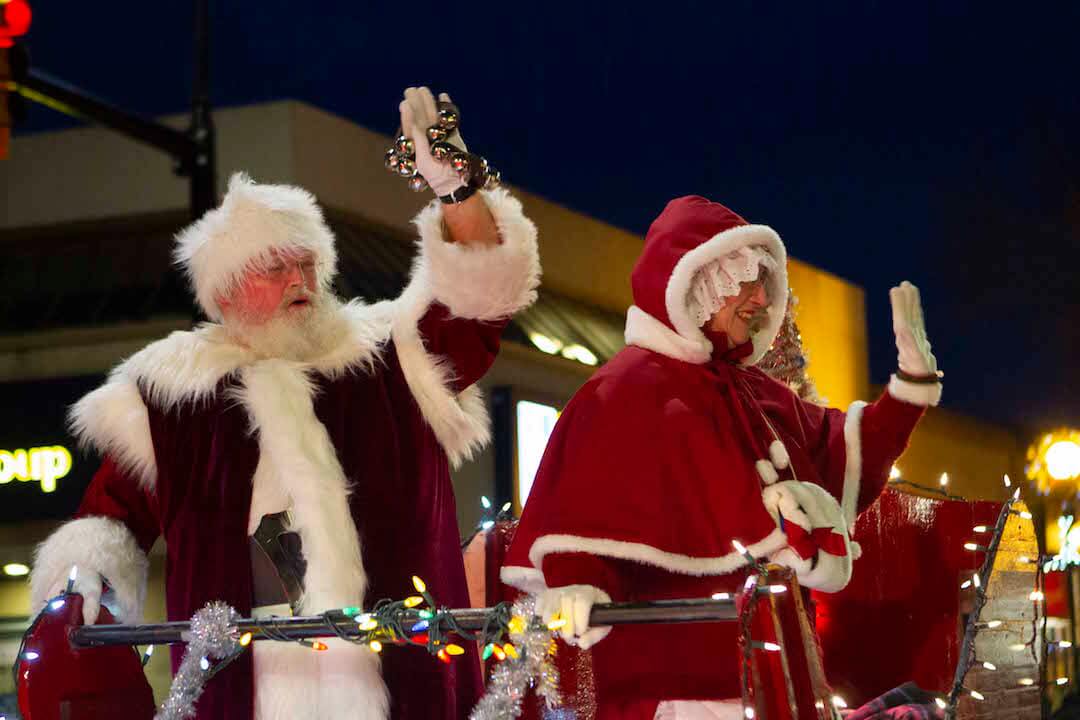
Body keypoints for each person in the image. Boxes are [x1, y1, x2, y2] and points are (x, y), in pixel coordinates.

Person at [28, 87, 540, 720]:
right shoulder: (171, 400)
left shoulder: (391, 357)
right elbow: (106, 525)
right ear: (223, 295)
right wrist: (79, 591)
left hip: (404, 692)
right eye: (274, 266)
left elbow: (484, 297)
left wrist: (455, 190)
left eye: (306, 264)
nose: (298, 281)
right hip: (242, 696)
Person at [502, 195, 941, 719]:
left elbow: (846, 452)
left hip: (780, 684)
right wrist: (575, 581)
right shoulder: (622, 391)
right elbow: (581, 512)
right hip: (680, 690)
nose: (759, 299)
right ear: (695, 287)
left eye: (763, 284)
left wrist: (909, 390)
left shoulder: (758, 394)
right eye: (743, 284)